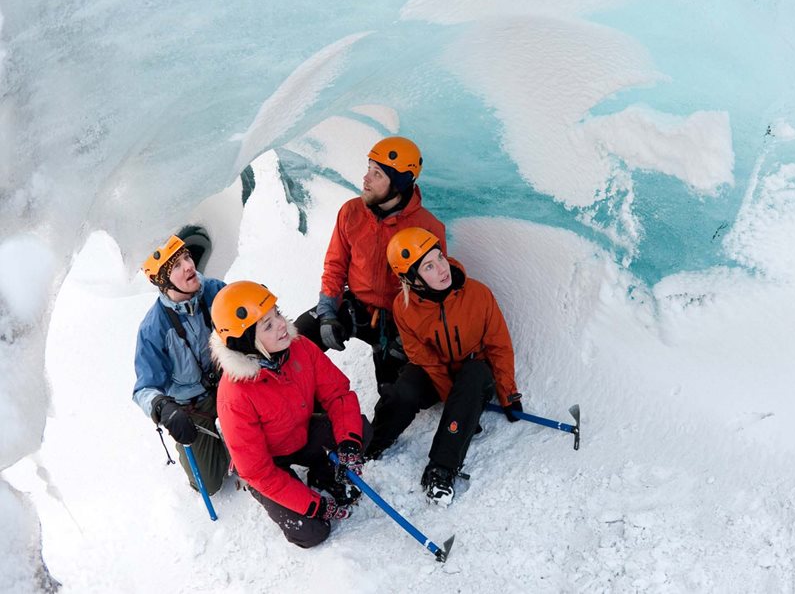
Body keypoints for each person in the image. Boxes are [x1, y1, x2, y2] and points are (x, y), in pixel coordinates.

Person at [368, 227, 523, 505]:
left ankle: (442, 468)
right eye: (429, 266)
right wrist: (454, 401)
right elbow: (423, 357)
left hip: (474, 371)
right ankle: (369, 446)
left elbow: (499, 346)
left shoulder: (478, 294)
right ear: (411, 279)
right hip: (436, 371)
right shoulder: (404, 307)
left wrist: (508, 394)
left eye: (439, 257)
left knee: (475, 374)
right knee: (405, 388)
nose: (442, 269)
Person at [210, 280, 370, 548]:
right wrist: (314, 505)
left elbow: (338, 394)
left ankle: (324, 474)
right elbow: (258, 471)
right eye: (268, 325)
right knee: (312, 532)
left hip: (302, 434)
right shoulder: (234, 396)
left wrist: (349, 443)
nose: (282, 324)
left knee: (359, 431)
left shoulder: (300, 348)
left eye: (277, 314)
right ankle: (292, 493)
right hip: (267, 465)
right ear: (247, 340)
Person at [295, 136, 447, 392]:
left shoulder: (427, 228)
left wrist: (409, 337)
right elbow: (335, 266)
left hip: (398, 321)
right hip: (355, 307)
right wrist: (328, 312)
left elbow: (433, 292)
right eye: (368, 169)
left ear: (398, 183)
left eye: (376, 174)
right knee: (297, 339)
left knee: (395, 392)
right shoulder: (351, 212)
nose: (365, 179)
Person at [133, 234, 230, 495]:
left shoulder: (214, 290)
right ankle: (218, 444)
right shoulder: (154, 329)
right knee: (209, 484)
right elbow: (144, 389)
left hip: (230, 384)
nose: (189, 265)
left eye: (187, 257)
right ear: (163, 282)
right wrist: (163, 407)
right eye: (176, 265)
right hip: (194, 407)